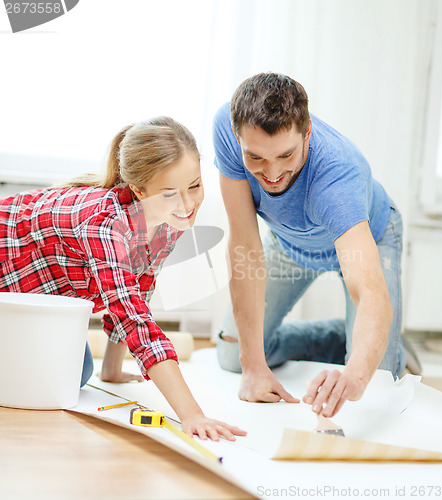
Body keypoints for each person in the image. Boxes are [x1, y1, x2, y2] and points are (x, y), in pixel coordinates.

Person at [0, 116, 246, 441]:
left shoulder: (167, 222)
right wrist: (192, 415)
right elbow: (134, 320)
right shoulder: (104, 225)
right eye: (170, 193)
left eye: (195, 186)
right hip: (9, 280)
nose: (187, 204)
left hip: (29, 301)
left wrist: (111, 371)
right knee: (48, 381)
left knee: (77, 373)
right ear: (138, 189)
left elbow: (136, 292)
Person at [213, 72, 418, 418]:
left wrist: (353, 375)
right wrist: (253, 367)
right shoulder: (227, 126)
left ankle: (380, 341)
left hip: (368, 238)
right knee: (233, 357)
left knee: (377, 380)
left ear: (307, 131)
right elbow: (245, 246)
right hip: (290, 240)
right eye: (256, 159)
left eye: (286, 156)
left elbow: (371, 294)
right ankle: (343, 338)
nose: (273, 173)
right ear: (237, 136)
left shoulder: (337, 179)